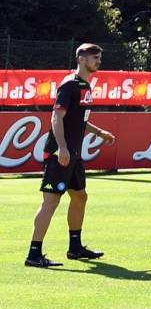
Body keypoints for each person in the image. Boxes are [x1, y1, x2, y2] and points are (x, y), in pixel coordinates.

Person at [25, 43, 115, 269]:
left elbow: (78, 117)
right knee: (51, 201)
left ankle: (75, 247)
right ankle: (34, 253)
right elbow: (57, 117)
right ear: (81, 59)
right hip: (60, 152)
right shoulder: (71, 84)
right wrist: (62, 148)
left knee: (80, 196)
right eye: (95, 57)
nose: (98, 61)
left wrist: (99, 132)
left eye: (99, 57)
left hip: (73, 152)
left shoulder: (85, 85)